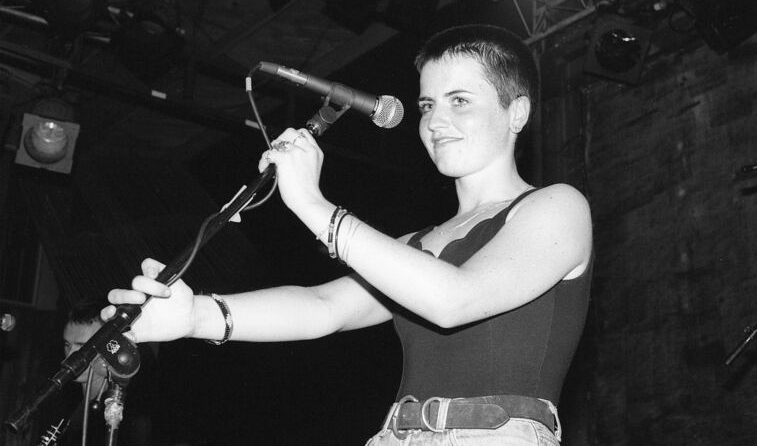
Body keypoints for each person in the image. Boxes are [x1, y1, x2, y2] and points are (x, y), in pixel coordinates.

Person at [105, 24, 593, 445]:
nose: (435, 122)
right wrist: (196, 316)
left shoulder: (556, 207)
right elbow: (324, 308)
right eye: (427, 104)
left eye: (459, 101)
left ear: (518, 113)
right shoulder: (414, 247)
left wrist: (316, 208)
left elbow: (455, 300)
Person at [31, 299, 155, 446]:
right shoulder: (65, 401)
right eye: (67, 345)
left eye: (82, 346)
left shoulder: (125, 414)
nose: (70, 355)